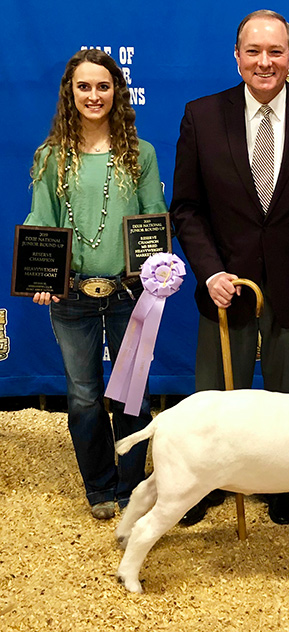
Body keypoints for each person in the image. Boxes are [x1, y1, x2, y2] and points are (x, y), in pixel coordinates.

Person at [170, 10, 289, 526]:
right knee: (217, 402)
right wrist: (210, 271)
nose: (265, 62)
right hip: (225, 288)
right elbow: (187, 209)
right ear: (237, 56)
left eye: (275, 51)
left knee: (288, 403)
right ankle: (204, 484)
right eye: (254, 51)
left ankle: (281, 484)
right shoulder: (201, 115)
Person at [25, 49, 168, 520]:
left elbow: (154, 219)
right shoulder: (51, 157)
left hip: (130, 294)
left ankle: (131, 488)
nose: (93, 95)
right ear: (70, 93)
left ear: (116, 93)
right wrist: (41, 275)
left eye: (102, 86)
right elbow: (40, 220)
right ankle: (100, 486)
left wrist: (156, 272)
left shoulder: (139, 154)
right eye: (83, 86)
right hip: (71, 297)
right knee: (84, 394)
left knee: (132, 392)